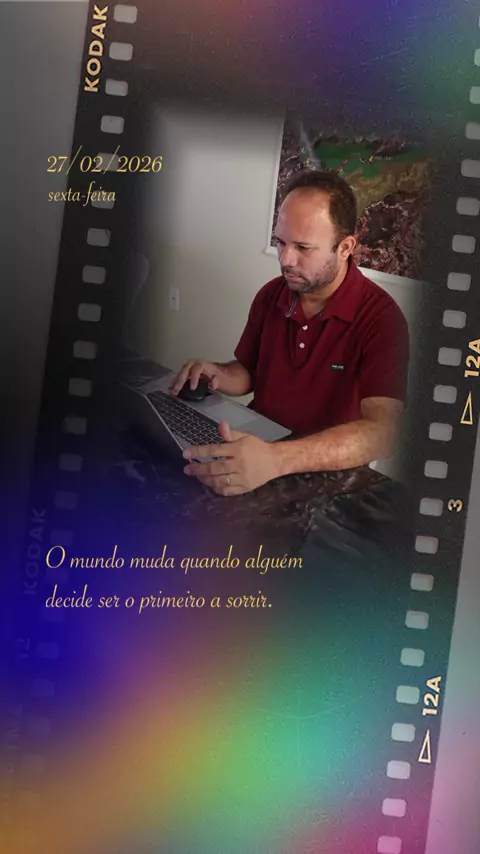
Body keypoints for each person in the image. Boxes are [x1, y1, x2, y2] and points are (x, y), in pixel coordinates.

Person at [171, 169, 409, 496]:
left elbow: (384, 433)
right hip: (255, 447)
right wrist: (217, 373)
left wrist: (276, 459)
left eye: (303, 247)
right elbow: (250, 373)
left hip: (324, 478)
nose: (285, 260)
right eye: (280, 242)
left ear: (345, 247)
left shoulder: (381, 319)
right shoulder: (271, 295)